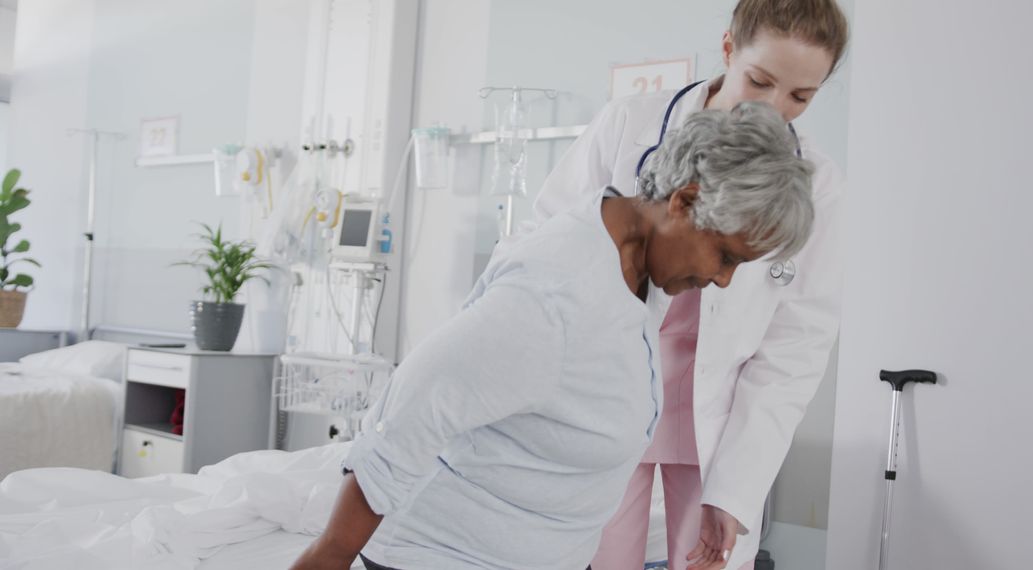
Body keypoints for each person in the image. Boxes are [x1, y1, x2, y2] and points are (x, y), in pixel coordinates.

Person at [290, 104, 814, 570]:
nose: (723, 280)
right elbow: (418, 398)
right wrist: (330, 554)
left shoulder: (633, 268)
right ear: (684, 201)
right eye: (726, 257)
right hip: (451, 552)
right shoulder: (556, 296)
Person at [531, 1, 849, 569]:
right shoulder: (631, 125)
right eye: (760, 82)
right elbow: (548, 245)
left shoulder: (817, 186)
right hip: (606, 393)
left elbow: (795, 348)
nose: (777, 112)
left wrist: (737, 489)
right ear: (728, 50)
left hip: (716, 423)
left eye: (801, 97)